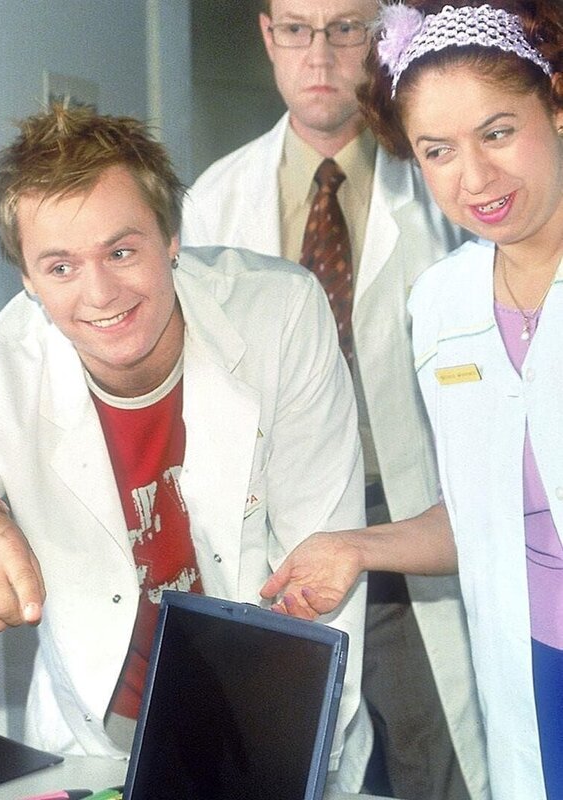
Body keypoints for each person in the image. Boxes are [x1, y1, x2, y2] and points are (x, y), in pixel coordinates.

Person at [0, 104, 371, 789]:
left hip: (266, 713)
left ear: (171, 238)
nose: (100, 293)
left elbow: (322, 561)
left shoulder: (280, 313)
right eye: (60, 266)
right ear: (27, 278)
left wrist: (290, 764)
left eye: (121, 251)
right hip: (94, 730)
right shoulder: (4, 363)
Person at [181, 1, 488, 798]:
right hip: (280, 539)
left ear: (381, 36)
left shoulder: (444, 180)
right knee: (293, 763)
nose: (318, 55)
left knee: (437, 763)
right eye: (296, 28)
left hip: (412, 520)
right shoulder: (213, 201)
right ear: (267, 35)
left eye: (346, 28)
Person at [261, 1, 563, 797]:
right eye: (438, 151)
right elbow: (480, 517)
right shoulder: (442, 304)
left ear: (555, 106)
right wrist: (356, 548)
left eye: (497, 132)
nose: (475, 177)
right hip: (529, 664)